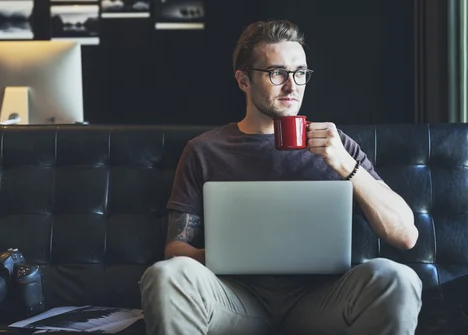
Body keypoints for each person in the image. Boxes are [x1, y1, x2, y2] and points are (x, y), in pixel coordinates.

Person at [139, 19, 423, 335]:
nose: (292, 85)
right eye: (277, 73)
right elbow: (175, 249)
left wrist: (345, 165)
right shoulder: (205, 150)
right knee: (166, 275)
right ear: (243, 80)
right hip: (234, 299)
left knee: (397, 277)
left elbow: (405, 236)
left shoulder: (336, 145)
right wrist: (230, 255)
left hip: (320, 299)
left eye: (300, 73)